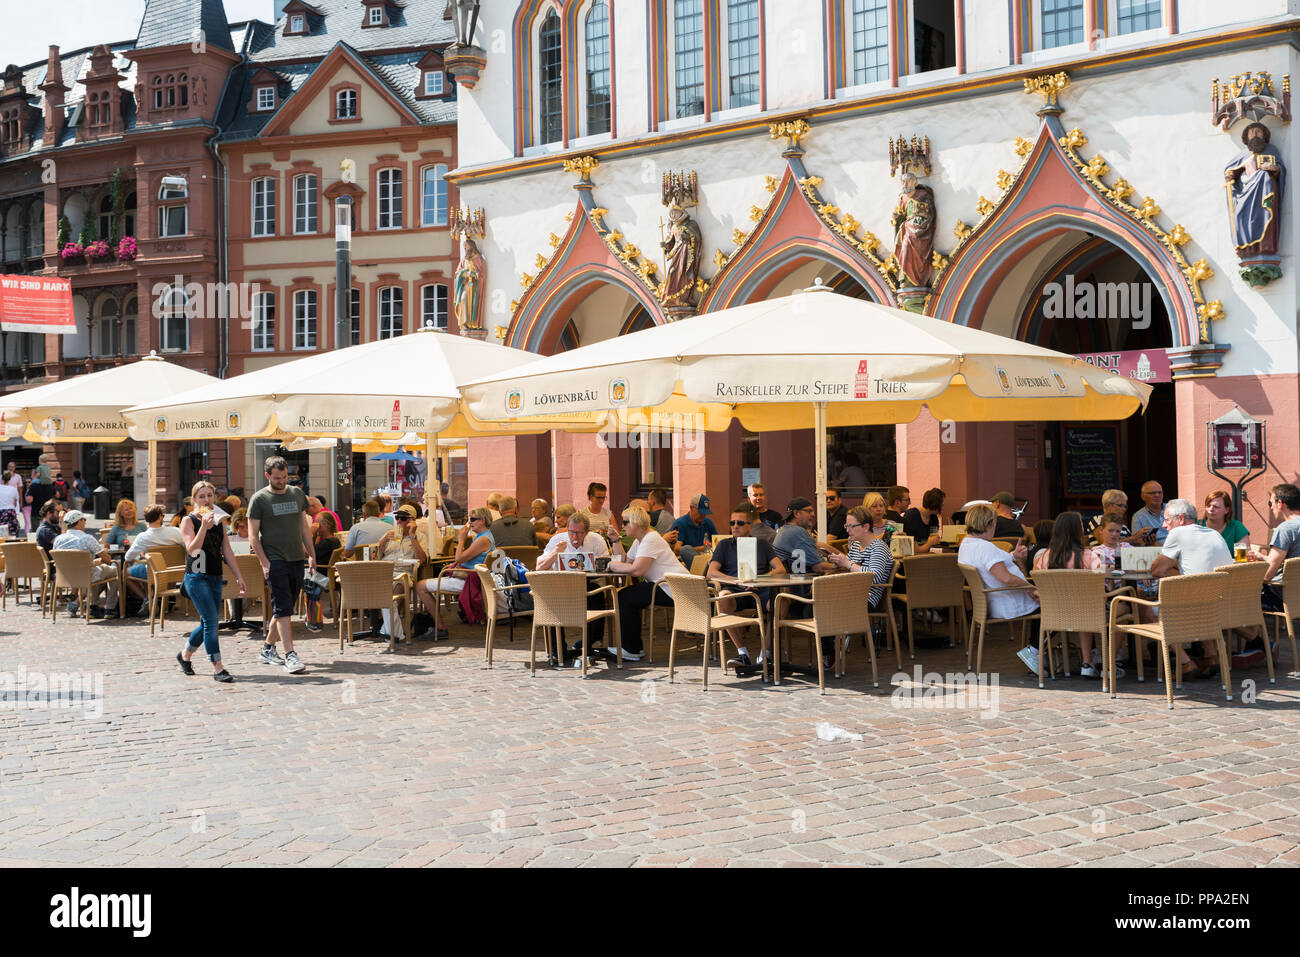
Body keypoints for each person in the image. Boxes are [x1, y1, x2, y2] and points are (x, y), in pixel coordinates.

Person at [1149, 497, 1234, 678]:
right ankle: (1211, 656)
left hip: (1193, 608)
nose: (1164, 525)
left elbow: (1156, 570)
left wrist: (1171, 568)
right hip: (1220, 606)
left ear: (1180, 519)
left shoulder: (1178, 534)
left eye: (1167, 519)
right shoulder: (1213, 533)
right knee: (1201, 593)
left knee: (1146, 609)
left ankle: (1185, 662)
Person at [174, 482, 246, 683]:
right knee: (213, 623)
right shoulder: (188, 521)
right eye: (202, 496)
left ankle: (185, 655)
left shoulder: (219, 520)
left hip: (215, 575)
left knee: (208, 622)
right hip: (196, 576)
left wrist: (239, 576)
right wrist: (204, 527)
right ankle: (218, 667)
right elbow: (192, 551)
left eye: (209, 496)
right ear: (194, 499)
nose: (206, 500)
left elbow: (227, 551)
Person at [247, 456, 313, 674]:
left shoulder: (296, 494)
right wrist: (264, 563)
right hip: (274, 560)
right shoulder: (259, 499)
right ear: (268, 476)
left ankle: (267, 648)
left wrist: (311, 554)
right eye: (277, 478)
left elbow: (304, 527)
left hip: (296, 558)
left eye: (285, 477)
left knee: (284, 607)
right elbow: (253, 537)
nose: (282, 481)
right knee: (283, 608)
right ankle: (290, 655)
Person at [957, 504, 1039, 673]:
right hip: (1007, 603)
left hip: (988, 601)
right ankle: (1035, 650)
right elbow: (1006, 578)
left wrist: (1013, 557)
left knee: (1048, 605)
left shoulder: (966, 544)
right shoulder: (985, 547)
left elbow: (988, 564)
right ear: (989, 525)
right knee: (1056, 608)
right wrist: (1032, 589)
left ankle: (1036, 650)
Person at [707, 503, 785, 675]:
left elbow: (780, 569)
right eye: (732, 523)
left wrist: (758, 580)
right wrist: (736, 581)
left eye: (740, 523)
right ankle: (742, 653)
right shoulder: (724, 545)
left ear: (750, 526)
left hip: (761, 589)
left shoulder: (762, 544)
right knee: (723, 597)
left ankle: (765, 653)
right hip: (736, 589)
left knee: (781, 602)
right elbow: (711, 573)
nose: (735, 526)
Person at [1032, 512, 1109, 678]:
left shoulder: (1046, 556)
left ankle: (1089, 660)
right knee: (1122, 608)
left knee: (1084, 609)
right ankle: (1094, 662)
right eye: (1081, 524)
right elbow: (1101, 582)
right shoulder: (1088, 556)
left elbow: (1037, 581)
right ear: (1077, 530)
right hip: (1087, 611)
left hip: (1054, 611)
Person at [609, 505, 686, 661]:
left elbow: (637, 570)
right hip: (664, 585)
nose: (622, 526)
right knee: (626, 595)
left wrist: (612, 565)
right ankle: (634, 647)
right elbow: (625, 560)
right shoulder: (642, 539)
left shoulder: (651, 539)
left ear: (636, 523)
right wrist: (616, 540)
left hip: (674, 588)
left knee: (625, 597)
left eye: (625, 522)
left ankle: (631, 649)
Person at [415, 507, 495, 639]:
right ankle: (432, 621)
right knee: (424, 585)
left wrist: (461, 539)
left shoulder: (483, 539)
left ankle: (440, 628)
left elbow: (459, 558)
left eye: (473, 519)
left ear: (483, 520)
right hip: (471, 577)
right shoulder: (484, 536)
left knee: (420, 586)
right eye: (469, 519)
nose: (470, 522)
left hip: (470, 580)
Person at [51, 509, 119, 618]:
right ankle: (110, 608)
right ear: (79, 522)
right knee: (115, 570)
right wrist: (104, 555)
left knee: (95, 568)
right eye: (84, 519)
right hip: (87, 574)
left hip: (65, 576)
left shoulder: (58, 539)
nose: (85, 522)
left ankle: (93, 607)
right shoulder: (87, 538)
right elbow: (107, 559)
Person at [123, 504, 185, 611]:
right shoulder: (175, 532)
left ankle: (147, 599)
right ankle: (166, 600)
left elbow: (128, 557)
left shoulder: (143, 537)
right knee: (166, 568)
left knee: (125, 572)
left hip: (154, 572)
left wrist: (141, 555)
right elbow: (187, 546)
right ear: (161, 517)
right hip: (174, 571)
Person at [773, 497, 836, 574]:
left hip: (799, 581)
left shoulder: (786, 529)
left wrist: (845, 559)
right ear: (796, 513)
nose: (813, 514)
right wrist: (845, 566)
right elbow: (819, 567)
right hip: (805, 583)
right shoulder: (796, 532)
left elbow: (818, 546)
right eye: (809, 511)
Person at [670, 493, 717, 567]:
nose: (703, 515)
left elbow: (716, 542)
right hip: (687, 562)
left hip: (708, 559)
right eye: (701, 512)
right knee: (686, 549)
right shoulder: (680, 523)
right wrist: (701, 549)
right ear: (691, 508)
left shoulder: (708, 522)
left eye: (705, 513)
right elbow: (676, 549)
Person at [902, 488, 945, 554]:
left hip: (927, 555)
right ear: (935, 505)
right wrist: (929, 543)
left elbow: (934, 542)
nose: (943, 507)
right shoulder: (911, 516)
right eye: (942, 505)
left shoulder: (933, 517)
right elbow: (914, 550)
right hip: (914, 558)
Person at [1131, 481, 1168, 545]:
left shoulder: (1173, 509)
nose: (1157, 495)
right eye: (1152, 493)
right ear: (1143, 496)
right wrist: (1151, 544)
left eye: (1160, 492)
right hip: (1154, 551)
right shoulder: (1138, 516)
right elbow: (1136, 539)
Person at [0, 473, 20, 538]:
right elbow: (15, 502)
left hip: (1, 511)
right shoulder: (13, 489)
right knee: (11, 532)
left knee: (1, 532)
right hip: (10, 511)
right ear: (10, 479)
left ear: (1, 479)